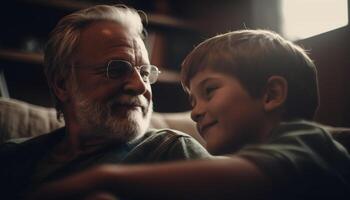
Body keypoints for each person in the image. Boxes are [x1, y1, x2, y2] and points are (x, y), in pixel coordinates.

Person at [28, 29, 350, 200]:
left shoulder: (308, 144)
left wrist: (104, 177)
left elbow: (237, 179)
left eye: (209, 91)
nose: (195, 112)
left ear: (271, 95)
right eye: (192, 99)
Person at [0, 5, 211, 200]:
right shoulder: (13, 158)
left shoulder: (170, 151)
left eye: (145, 73)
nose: (140, 87)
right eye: (117, 70)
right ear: (62, 85)